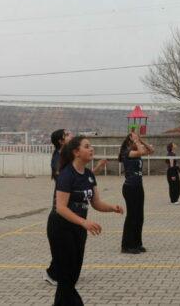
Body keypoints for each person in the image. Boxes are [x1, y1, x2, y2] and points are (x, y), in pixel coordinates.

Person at [48, 135, 123, 305]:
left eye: (91, 146)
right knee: (66, 275)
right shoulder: (67, 174)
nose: (91, 149)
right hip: (61, 227)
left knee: (73, 274)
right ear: (76, 152)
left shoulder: (89, 175)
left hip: (78, 228)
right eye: (87, 146)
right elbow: (60, 207)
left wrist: (112, 208)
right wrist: (84, 222)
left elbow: (96, 202)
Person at [119, 132, 154, 254]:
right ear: (130, 141)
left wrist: (142, 141)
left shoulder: (136, 152)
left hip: (139, 187)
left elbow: (151, 150)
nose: (137, 142)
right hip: (130, 188)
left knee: (139, 217)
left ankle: (137, 243)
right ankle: (126, 246)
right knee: (132, 216)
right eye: (134, 140)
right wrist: (136, 141)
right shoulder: (127, 153)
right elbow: (141, 151)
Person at [45, 129, 71, 286]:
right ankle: (52, 273)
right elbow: (62, 177)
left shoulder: (68, 156)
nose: (71, 136)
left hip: (70, 203)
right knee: (61, 242)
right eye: (67, 135)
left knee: (69, 242)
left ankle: (64, 271)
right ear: (61, 141)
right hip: (60, 205)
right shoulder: (58, 158)